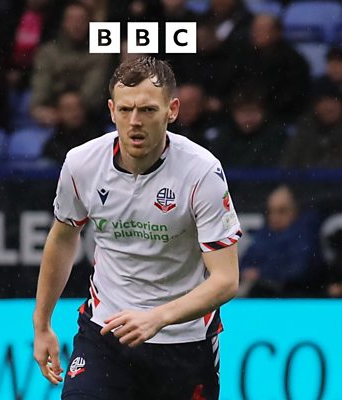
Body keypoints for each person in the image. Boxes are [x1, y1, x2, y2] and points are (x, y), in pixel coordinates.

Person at [33, 56, 242, 400]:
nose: (134, 122)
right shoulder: (81, 163)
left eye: (147, 110)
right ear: (111, 110)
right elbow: (62, 238)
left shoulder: (202, 172)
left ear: (172, 110)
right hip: (106, 334)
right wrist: (42, 324)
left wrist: (157, 318)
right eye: (126, 109)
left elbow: (226, 279)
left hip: (184, 343)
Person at [239, 185, 321, 298]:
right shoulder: (264, 235)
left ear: (296, 211)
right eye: (270, 211)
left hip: (295, 298)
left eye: (282, 211)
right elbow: (245, 263)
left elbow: (299, 271)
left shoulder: (306, 236)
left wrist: (261, 273)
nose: (274, 217)